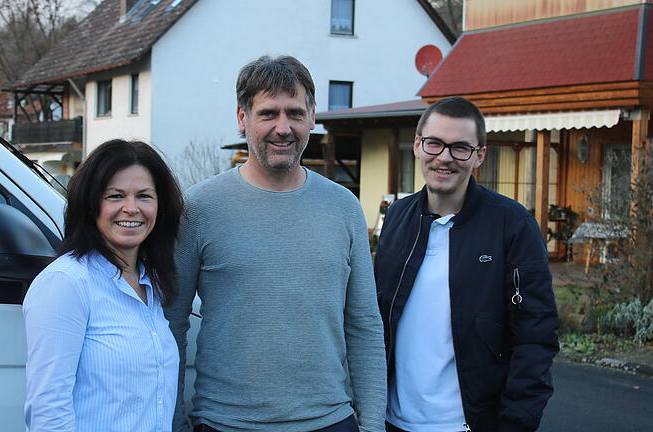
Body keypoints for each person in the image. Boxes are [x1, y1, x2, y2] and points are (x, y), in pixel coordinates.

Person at [166, 55, 386, 432]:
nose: (283, 128)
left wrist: (373, 424)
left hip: (330, 421)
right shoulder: (198, 209)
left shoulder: (344, 208)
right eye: (268, 113)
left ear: (312, 118)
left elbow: (364, 324)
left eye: (295, 113)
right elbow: (172, 324)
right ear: (242, 118)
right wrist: (174, 423)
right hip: (226, 423)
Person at [374, 97, 559, 432]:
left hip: (468, 424)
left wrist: (517, 423)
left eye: (460, 147)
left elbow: (536, 335)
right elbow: (375, 319)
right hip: (390, 422)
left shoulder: (511, 224)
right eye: (434, 143)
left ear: (479, 156)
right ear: (418, 145)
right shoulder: (399, 216)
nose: (444, 158)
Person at [23, 139, 184, 432]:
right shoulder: (66, 283)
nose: (131, 208)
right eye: (115, 196)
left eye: (145, 196)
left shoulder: (151, 283)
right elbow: (47, 409)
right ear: (90, 204)